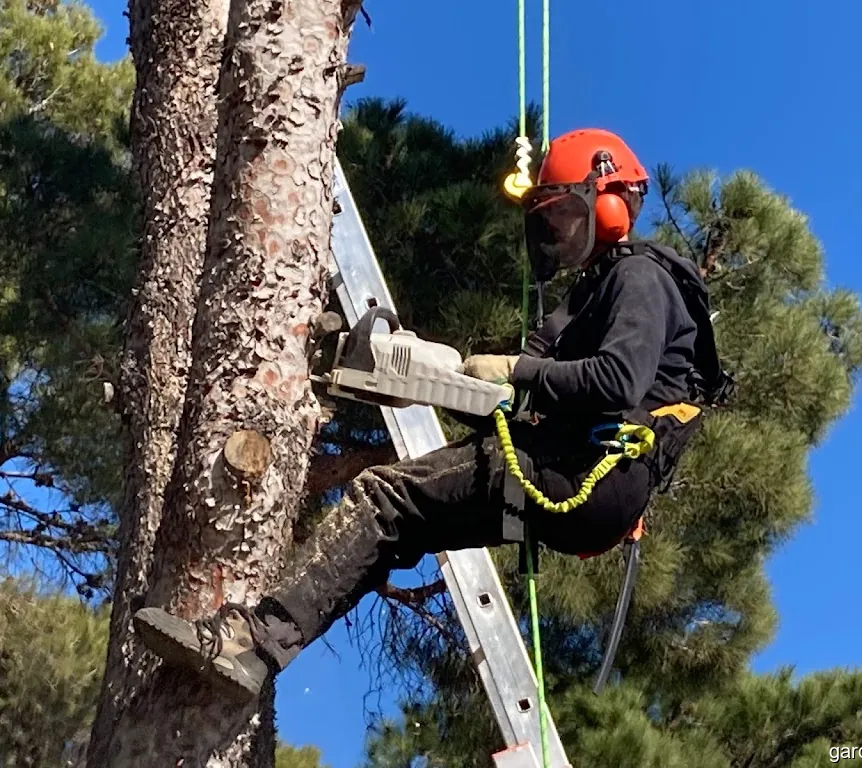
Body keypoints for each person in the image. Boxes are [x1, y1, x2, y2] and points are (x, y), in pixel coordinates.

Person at [133, 128, 731, 699]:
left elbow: (615, 379)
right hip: (577, 470)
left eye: (565, 217)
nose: (558, 235)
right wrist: (432, 379)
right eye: (549, 223)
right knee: (403, 523)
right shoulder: (593, 293)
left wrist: (515, 372)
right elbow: (527, 393)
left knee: (386, 498)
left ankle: (249, 645)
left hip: (586, 470)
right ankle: (262, 647)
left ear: (608, 201)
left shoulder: (639, 276)